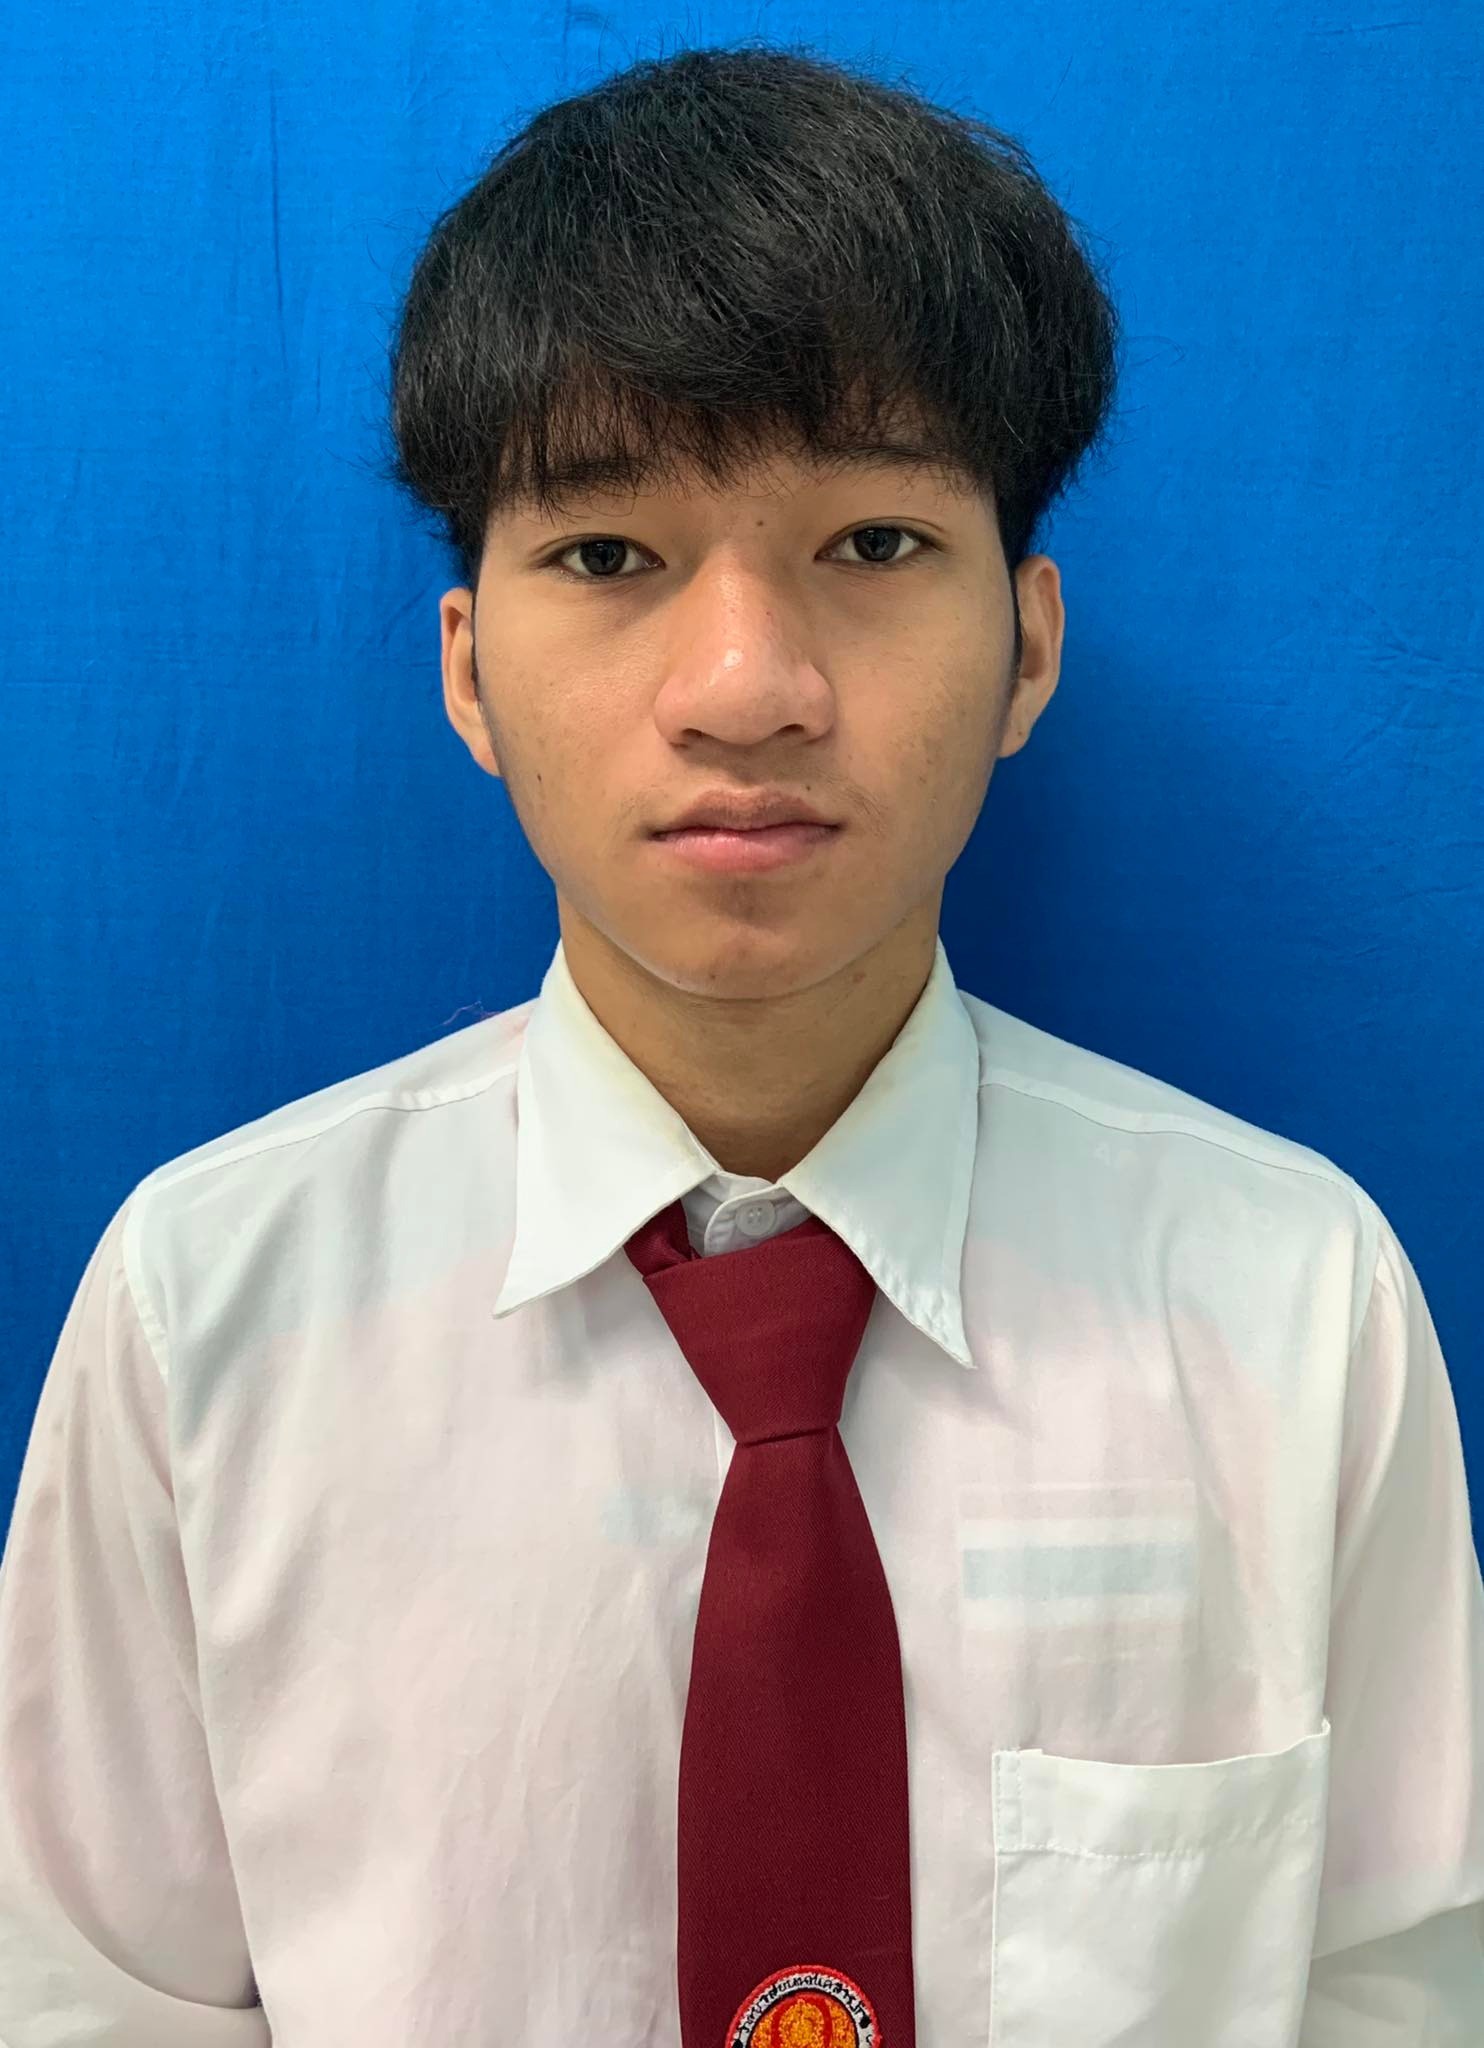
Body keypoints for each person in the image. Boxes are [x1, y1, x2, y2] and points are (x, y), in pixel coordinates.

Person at [2, 36, 1480, 2047]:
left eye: (872, 545)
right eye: (608, 556)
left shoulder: (1292, 1303)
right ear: (467, 670)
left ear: (1029, 643)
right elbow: (94, 2005)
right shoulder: (207, 1317)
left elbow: (1399, 1988)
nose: (745, 686)